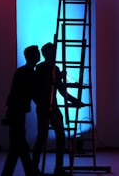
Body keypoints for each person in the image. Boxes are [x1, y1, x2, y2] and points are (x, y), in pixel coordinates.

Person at [32, 42, 84, 176]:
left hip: (53, 107)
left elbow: (61, 90)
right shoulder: (40, 68)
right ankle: (34, 169)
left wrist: (75, 101)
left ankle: (58, 168)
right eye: (52, 51)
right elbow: (41, 86)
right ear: (46, 53)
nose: (54, 53)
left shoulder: (55, 68)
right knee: (41, 138)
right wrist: (56, 79)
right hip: (44, 107)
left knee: (60, 137)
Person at [1, 45, 41, 176]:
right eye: (37, 53)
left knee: (19, 145)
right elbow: (35, 93)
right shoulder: (31, 74)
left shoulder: (20, 72)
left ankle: (30, 172)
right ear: (34, 57)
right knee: (17, 146)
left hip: (14, 111)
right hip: (18, 112)